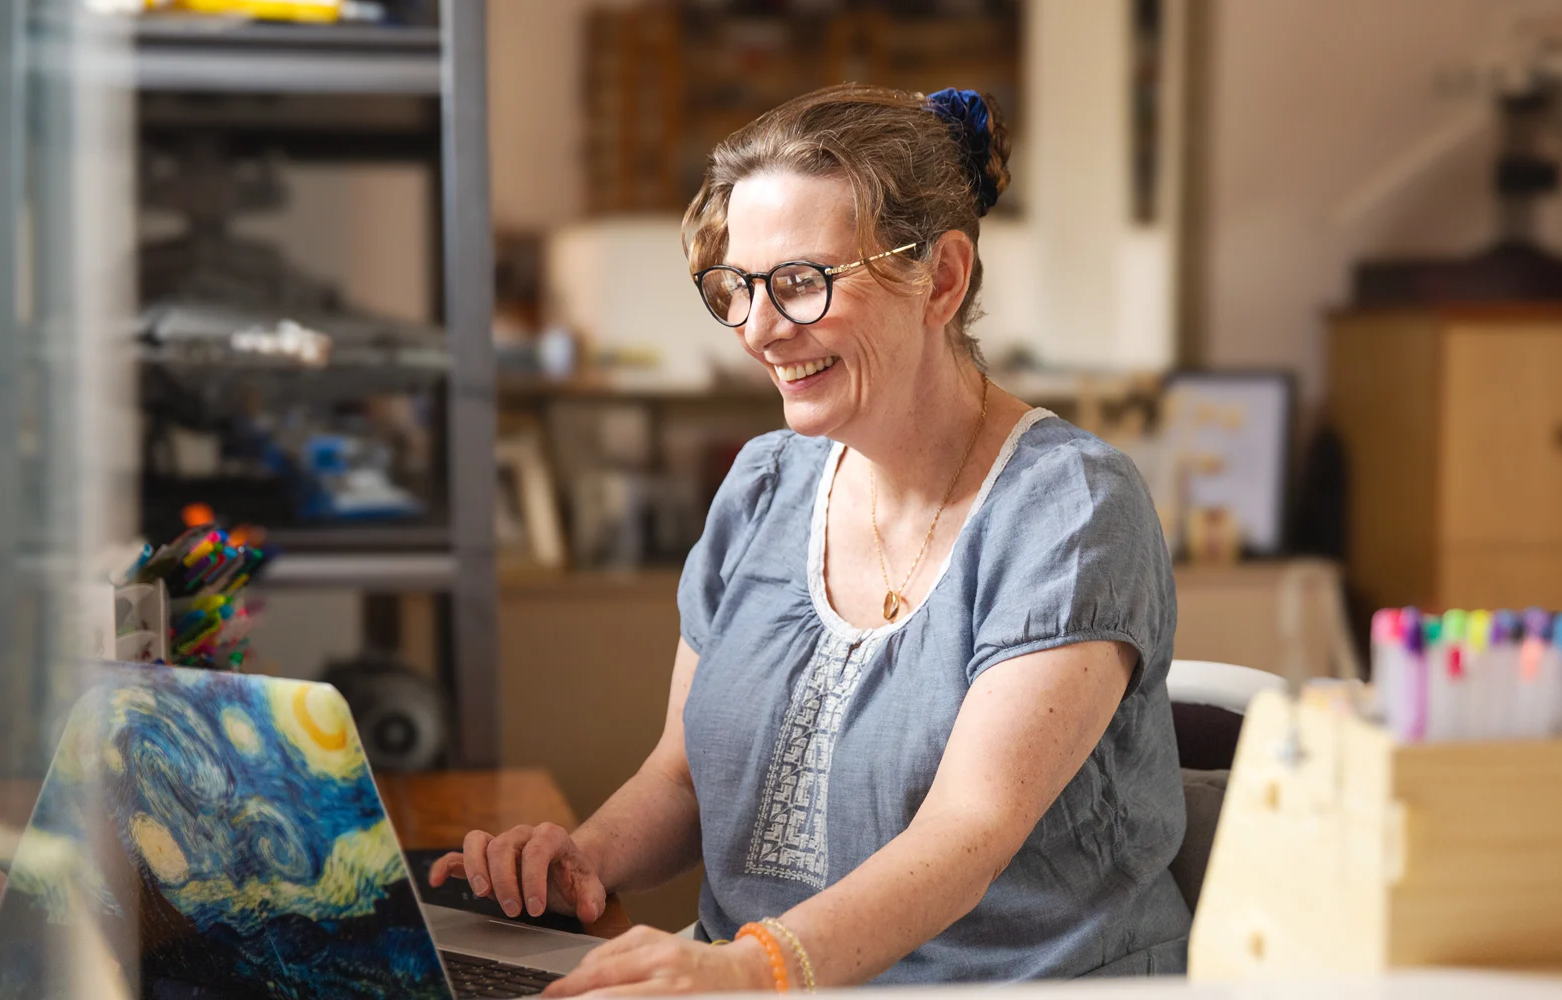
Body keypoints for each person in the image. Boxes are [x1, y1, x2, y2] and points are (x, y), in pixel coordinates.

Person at [431, 84, 1189, 993]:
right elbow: (679, 778)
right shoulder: (764, 482)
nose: (757, 329)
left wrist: (752, 970)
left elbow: (968, 831)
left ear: (942, 278)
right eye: (736, 288)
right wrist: (583, 861)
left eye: (801, 282)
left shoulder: (1070, 509)